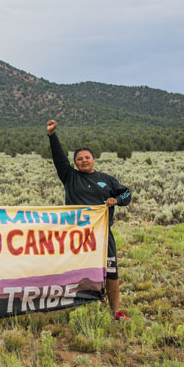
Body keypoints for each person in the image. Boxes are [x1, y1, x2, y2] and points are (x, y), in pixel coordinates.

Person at [46, 120, 132, 320]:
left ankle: (114, 311)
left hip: (102, 236)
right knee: (77, 273)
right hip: (77, 235)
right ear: (75, 162)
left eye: (87, 157)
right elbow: (59, 158)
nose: (83, 161)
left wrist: (116, 200)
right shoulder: (70, 177)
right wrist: (52, 136)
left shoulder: (107, 179)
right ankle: (78, 309)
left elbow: (127, 194)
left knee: (111, 272)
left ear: (93, 159)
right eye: (79, 159)